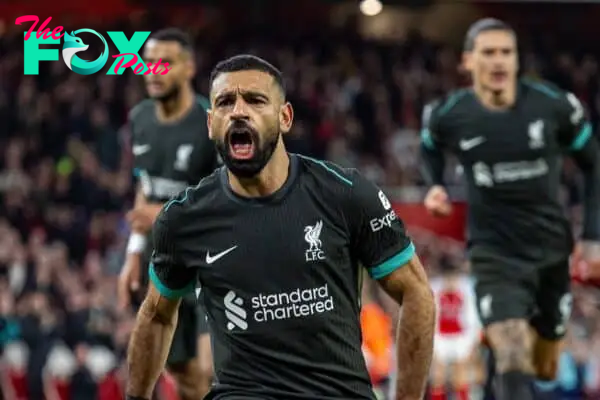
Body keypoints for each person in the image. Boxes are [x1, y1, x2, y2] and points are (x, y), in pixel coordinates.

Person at [124, 54, 435, 400]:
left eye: (255, 100)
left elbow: (416, 292)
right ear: (211, 123)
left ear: (285, 117)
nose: (239, 111)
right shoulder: (184, 218)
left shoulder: (345, 194)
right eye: (225, 102)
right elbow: (156, 316)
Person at [420, 18, 600, 400]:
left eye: (507, 52)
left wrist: (593, 236)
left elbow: (593, 163)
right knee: (511, 346)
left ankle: (497, 372)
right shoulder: (451, 114)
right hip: (493, 252)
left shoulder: (554, 107)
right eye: (489, 53)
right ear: (468, 62)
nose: (499, 61)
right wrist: (435, 183)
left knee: (544, 361)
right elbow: (430, 143)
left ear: (517, 60)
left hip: (550, 249)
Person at [117, 28, 218, 400]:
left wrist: (161, 213)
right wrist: (132, 253)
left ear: (188, 67)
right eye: (147, 62)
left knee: (212, 370)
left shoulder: (212, 121)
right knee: (183, 372)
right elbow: (145, 186)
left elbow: (228, 197)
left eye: (164, 63)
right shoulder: (140, 118)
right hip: (162, 261)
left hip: (210, 263)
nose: (153, 71)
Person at [429, 257, 480, 400]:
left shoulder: (466, 287)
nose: (450, 282)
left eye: (453, 278)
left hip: (461, 336)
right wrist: (431, 342)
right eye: (448, 278)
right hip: (440, 337)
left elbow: (473, 315)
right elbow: (429, 315)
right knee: (438, 373)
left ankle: (463, 397)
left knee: (461, 372)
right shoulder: (435, 287)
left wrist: (473, 341)